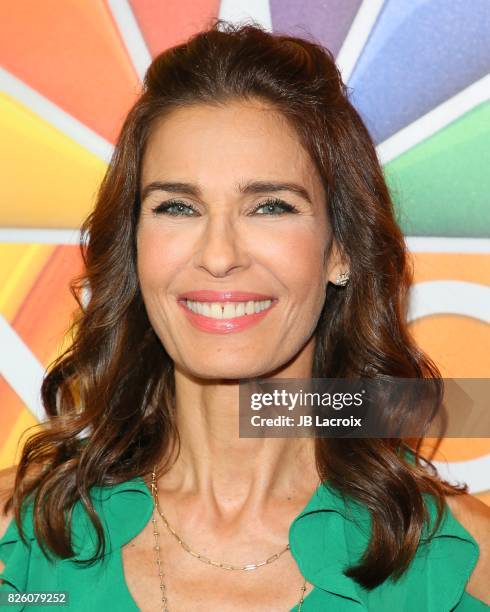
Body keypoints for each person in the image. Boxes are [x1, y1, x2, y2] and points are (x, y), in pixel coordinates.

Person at [1, 19, 489, 612]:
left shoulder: (458, 562)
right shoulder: (22, 547)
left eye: (270, 206)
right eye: (177, 206)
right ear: (133, 244)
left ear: (340, 250)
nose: (219, 256)